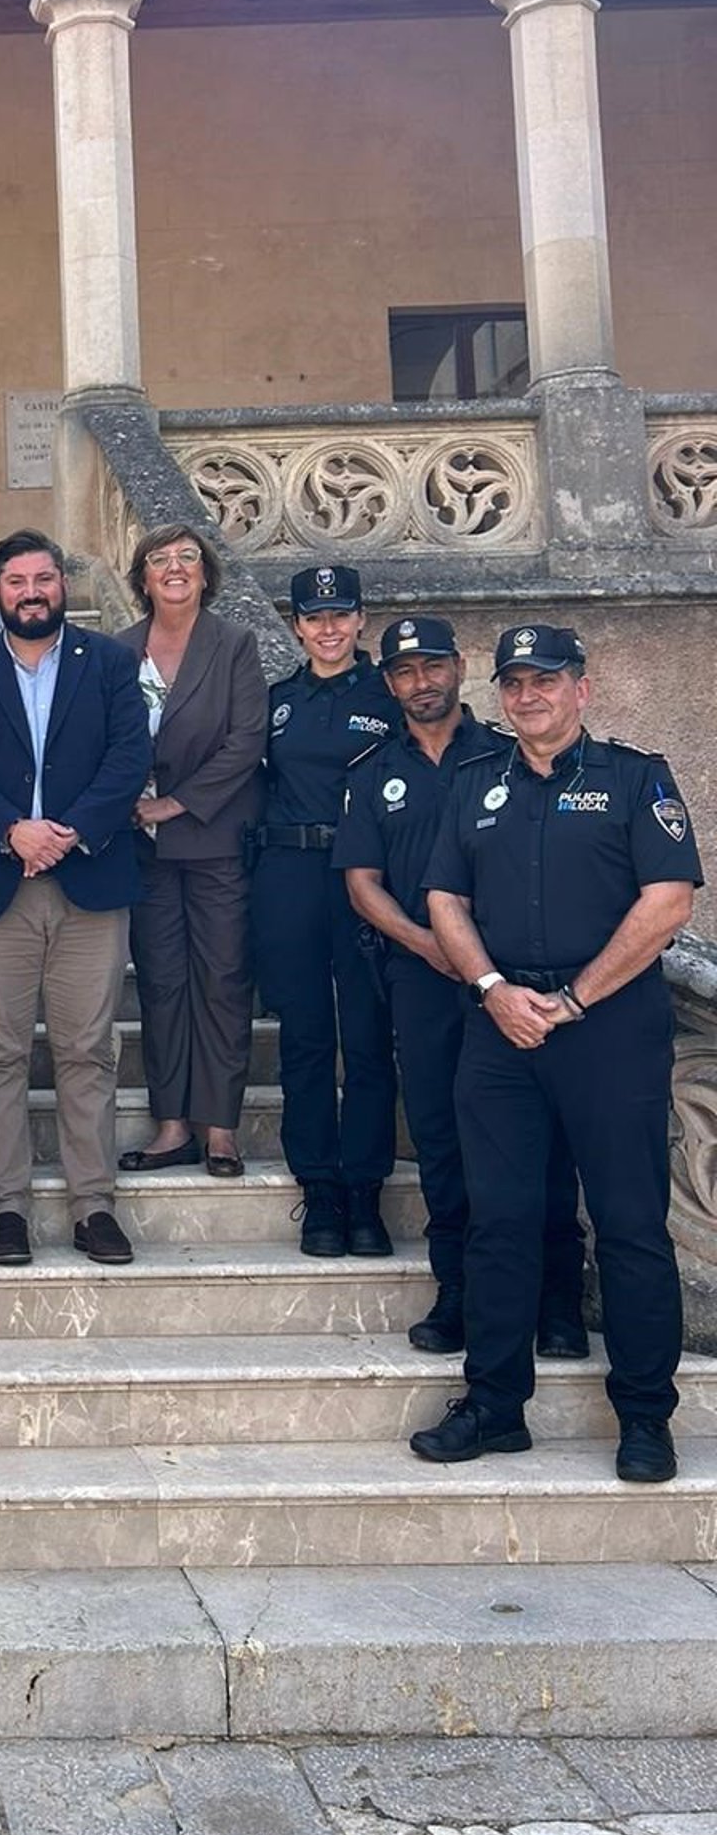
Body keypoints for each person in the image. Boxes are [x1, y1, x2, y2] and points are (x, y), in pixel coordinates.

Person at [415, 623, 700, 1485]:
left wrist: (575, 999)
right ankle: (495, 1407)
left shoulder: (636, 779)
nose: (528, 695)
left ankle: (645, 1417)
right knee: (498, 1224)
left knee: (630, 1225)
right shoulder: (475, 783)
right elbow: (443, 898)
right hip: (501, 1028)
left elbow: (668, 903)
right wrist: (492, 989)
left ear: (582, 688)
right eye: (513, 683)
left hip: (608, 1030)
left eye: (545, 680)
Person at [336, 616, 585, 1356]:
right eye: (405, 671)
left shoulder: (510, 756)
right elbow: (362, 883)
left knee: (542, 1137)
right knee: (440, 1137)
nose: (422, 682)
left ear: (460, 667)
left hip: (514, 981)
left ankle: (558, 1300)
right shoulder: (372, 770)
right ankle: (458, 1294)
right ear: (389, 684)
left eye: (433, 666)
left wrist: (483, 965)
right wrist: (429, 944)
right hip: (423, 978)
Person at [0, 530, 151, 1269]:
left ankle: (94, 1205)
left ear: (63, 585)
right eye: (17, 581)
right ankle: (8, 1209)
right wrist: (10, 831)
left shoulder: (112, 663)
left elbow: (130, 755)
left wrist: (69, 832)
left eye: (44, 579)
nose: (31, 592)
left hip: (88, 881)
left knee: (87, 1050)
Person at [250, 563, 398, 1259]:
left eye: (341, 615)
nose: (329, 628)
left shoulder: (389, 694)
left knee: (366, 1037)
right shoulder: (278, 701)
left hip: (365, 876)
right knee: (305, 1039)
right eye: (315, 617)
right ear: (297, 626)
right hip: (289, 876)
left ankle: (365, 1189)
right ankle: (320, 1189)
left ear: (360, 619)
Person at [112, 524, 266, 1181]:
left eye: (187, 558)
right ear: (142, 579)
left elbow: (247, 739)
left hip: (214, 839)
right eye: (159, 560)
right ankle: (173, 1124)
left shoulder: (234, 644)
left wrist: (175, 804)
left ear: (205, 574)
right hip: (141, 848)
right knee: (161, 982)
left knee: (222, 980)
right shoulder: (119, 650)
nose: (174, 568)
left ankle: (220, 1126)